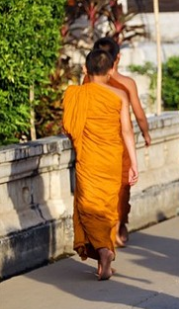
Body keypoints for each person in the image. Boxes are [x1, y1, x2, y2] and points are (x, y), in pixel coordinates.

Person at [63, 49, 139, 281]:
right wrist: (134, 163)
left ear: (85, 69)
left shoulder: (75, 94)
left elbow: (69, 127)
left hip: (89, 160)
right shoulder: (119, 95)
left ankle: (104, 251)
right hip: (112, 161)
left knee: (88, 208)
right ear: (110, 71)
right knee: (107, 209)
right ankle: (104, 257)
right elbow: (127, 131)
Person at [92, 37, 151, 247]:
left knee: (113, 191)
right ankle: (115, 229)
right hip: (118, 146)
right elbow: (139, 113)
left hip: (98, 148)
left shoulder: (88, 85)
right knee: (120, 191)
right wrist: (145, 133)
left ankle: (116, 227)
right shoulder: (125, 84)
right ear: (118, 57)